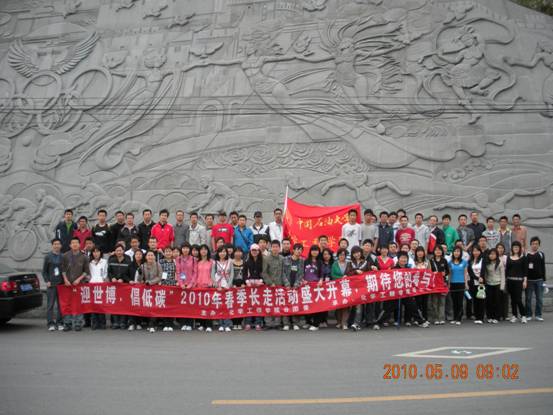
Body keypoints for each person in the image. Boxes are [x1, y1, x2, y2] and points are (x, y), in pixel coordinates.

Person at [61, 237, 90, 331]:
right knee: (67, 304)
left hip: (79, 284)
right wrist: (65, 280)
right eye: (73, 243)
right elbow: (63, 270)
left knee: (78, 304)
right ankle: (67, 323)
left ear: (79, 244)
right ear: (70, 245)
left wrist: (79, 279)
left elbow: (86, 271)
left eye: (76, 243)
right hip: (67, 285)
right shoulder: (65, 256)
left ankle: (78, 323)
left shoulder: (84, 257)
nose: (74, 244)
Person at [135, 250, 163, 333]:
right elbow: (139, 279)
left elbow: (159, 277)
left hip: (156, 288)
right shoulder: (143, 266)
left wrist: (150, 282)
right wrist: (140, 274)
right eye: (148, 255)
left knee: (154, 306)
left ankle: (152, 324)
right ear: (146, 257)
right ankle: (149, 323)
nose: (150, 257)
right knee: (148, 306)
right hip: (146, 289)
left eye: (152, 255)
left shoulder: (158, 265)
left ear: (154, 257)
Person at [107, 244, 132, 330]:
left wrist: (123, 279)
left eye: (120, 250)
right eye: (117, 250)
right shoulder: (111, 260)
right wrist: (112, 278)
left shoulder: (128, 261)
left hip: (124, 286)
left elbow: (129, 274)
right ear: (115, 251)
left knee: (124, 304)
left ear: (123, 251)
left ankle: (123, 322)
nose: (119, 252)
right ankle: (115, 322)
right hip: (114, 286)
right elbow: (109, 272)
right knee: (114, 304)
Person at [42, 238, 64, 331]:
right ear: (52, 245)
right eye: (55, 244)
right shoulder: (48, 257)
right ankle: (50, 323)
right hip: (51, 284)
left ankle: (59, 323)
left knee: (60, 305)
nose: (56, 245)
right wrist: (47, 281)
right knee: (50, 305)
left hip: (61, 284)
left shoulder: (63, 256)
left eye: (58, 244)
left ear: (61, 246)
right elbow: (44, 271)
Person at [262, 240, 284, 330]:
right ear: (271, 248)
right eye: (273, 247)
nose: (275, 248)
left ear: (279, 248)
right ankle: (268, 323)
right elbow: (264, 272)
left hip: (279, 285)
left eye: (277, 247)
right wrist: (270, 283)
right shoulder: (266, 258)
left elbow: (284, 272)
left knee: (278, 304)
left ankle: (277, 323)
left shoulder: (282, 259)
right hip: (269, 285)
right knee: (268, 303)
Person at [175, 242, 197, 331]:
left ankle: (190, 323)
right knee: (182, 306)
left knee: (190, 305)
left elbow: (195, 273)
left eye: (187, 248)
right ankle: (183, 323)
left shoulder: (194, 259)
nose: (185, 250)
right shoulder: (178, 259)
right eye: (184, 248)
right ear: (181, 249)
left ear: (189, 249)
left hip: (191, 285)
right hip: (182, 286)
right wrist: (181, 284)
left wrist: (190, 284)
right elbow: (178, 272)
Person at [345, 246, 368, 331]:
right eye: (354, 253)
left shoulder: (366, 262)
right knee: (353, 305)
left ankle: (357, 323)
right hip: (352, 287)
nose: (356, 254)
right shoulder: (350, 263)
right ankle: (351, 322)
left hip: (362, 287)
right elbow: (347, 273)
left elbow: (370, 273)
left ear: (361, 252)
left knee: (359, 305)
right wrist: (355, 271)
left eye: (358, 252)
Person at [211, 246, 234, 332]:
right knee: (219, 305)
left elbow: (232, 274)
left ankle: (227, 324)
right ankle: (221, 324)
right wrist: (216, 285)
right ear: (218, 253)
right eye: (220, 252)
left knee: (227, 305)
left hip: (227, 285)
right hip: (218, 285)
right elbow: (212, 274)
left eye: (224, 251)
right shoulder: (215, 262)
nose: (222, 253)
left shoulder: (230, 261)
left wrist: (229, 285)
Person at [282, 243, 305, 331]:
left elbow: (301, 274)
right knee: (285, 304)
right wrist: (286, 284)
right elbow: (283, 272)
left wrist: (296, 284)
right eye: (297, 249)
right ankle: (286, 323)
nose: (299, 251)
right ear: (293, 250)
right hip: (286, 285)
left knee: (295, 304)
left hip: (296, 286)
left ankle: (295, 323)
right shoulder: (285, 259)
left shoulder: (302, 260)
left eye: (301, 250)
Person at [303, 245, 324, 331]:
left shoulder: (320, 262)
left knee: (316, 305)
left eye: (316, 250)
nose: (314, 252)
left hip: (316, 286)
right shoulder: (306, 261)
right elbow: (302, 272)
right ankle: (308, 322)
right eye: (313, 250)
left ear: (319, 252)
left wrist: (321, 280)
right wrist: (303, 280)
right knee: (307, 303)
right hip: (307, 286)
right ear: (310, 251)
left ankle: (316, 324)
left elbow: (322, 273)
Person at [505, 241, 527, 324]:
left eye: (517, 247)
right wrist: (506, 281)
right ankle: (514, 315)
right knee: (513, 300)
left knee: (518, 299)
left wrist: (525, 281)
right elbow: (507, 270)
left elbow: (525, 271)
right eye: (514, 247)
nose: (516, 248)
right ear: (512, 248)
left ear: (520, 248)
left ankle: (523, 315)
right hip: (510, 281)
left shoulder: (523, 257)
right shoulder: (509, 257)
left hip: (519, 281)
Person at [244, 244, 264, 331]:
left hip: (259, 285)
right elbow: (244, 274)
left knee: (258, 304)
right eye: (253, 250)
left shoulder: (262, 261)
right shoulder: (247, 262)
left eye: (256, 250)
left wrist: (261, 281)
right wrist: (247, 282)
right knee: (249, 304)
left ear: (259, 251)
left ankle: (258, 323)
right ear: (250, 251)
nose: (254, 252)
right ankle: (248, 322)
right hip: (250, 286)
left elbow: (264, 272)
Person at [525, 236, 546, 321]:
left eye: (536, 244)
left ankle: (538, 315)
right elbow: (524, 268)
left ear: (539, 245)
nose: (535, 245)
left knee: (539, 299)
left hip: (539, 280)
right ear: (530, 244)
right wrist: (525, 280)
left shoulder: (541, 254)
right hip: (529, 280)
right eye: (533, 244)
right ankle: (528, 314)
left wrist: (544, 281)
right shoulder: (526, 254)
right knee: (528, 298)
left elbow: (543, 267)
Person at [447, 246, 468, 325]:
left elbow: (465, 274)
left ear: (460, 253)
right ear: (453, 253)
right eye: (455, 251)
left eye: (458, 251)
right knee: (454, 301)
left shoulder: (464, 262)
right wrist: (449, 284)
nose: (456, 253)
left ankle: (459, 318)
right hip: (453, 283)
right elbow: (449, 274)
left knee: (460, 302)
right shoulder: (450, 262)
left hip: (461, 283)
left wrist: (466, 284)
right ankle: (455, 317)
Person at [88, 247, 108, 330]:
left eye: (97, 251)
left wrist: (103, 279)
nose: (96, 253)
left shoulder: (104, 261)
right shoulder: (90, 262)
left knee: (101, 304)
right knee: (93, 304)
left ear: (100, 253)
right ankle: (94, 322)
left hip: (101, 285)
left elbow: (105, 273)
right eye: (94, 252)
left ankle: (102, 322)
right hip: (92, 285)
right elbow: (88, 274)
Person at [429, 245, 450, 325]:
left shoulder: (444, 260)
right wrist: (433, 273)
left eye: (439, 250)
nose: (438, 251)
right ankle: (435, 318)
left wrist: (445, 273)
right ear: (434, 252)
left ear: (442, 251)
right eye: (436, 250)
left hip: (442, 283)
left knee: (442, 301)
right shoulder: (431, 260)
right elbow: (428, 272)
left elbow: (447, 271)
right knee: (434, 302)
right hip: (434, 284)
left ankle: (441, 318)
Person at [331, 248, 351, 330]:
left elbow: (351, 273)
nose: (342, 256)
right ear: (338, 255)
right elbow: (333, 275)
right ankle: (339, 322)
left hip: (346, 287)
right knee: (338, 304)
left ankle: (344, 323)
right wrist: (341, 278)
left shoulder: (349, 264)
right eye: (340, 255)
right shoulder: (334, 264)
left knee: (346, 304)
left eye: (343, 255)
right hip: (337, 287)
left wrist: (347, 277)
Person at [484, 248, 505, 324]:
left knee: (497, 301)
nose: (491, 255)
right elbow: (485, 274)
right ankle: (490, 316)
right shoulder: (487, 263)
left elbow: (502, 275)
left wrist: (502, 286)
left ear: (496, 255)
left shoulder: (500, 263)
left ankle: (497, 317)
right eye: (490, 254)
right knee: (489, 301)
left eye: (493, 254)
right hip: (489, 284)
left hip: (497, 284)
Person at [196, 244, 214, 332]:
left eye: (205, 249)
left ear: (208, 251)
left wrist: (211, 282)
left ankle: (209, 325)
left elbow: (213, 274)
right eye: (202, 249)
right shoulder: (197, 262)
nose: (203, 251)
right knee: (200, 306)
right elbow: (195, 274)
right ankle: (202, 324)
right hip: (199, 286)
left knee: (208, 306)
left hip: (208, 286)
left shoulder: (211, 262)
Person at [159, 246, 177, 332]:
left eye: (170, 251)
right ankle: (165, 323)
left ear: (172, 252)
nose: (168, 253)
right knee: (164, 305)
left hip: (173, 286)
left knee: (171, 305)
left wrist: (177, 281)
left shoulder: (175, 262)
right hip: (163, 285)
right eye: (166, 251)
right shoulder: (161, 262)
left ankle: (170, 323)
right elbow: (159, 273)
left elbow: (177, 273)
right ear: (164, 253)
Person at [467, 246, 486, 324]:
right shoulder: (470, 261)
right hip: (473, 283)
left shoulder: (483, 260)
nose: (475, 252)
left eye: (477, 251)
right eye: (474, 251)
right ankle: (477, 316)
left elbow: (483, 270)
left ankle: (481, 317)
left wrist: (481, 277)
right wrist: (477, 278)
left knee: (481, 300)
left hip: (481, 283)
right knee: (475, 300)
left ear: (480, 252)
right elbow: (470, 272)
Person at [413, 246, 430, 320]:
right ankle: (418, 318)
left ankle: (425, 318)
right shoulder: (413, 262)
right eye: (418, 251)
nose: (420, 253)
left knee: (425, 302)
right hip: (416, 286)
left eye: (421, 251)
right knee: (417, 302)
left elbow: (430, 273)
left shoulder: (427, 262)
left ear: (424, 253)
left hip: (425, 286)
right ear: (416, 253)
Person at [231, 247, 246, 330]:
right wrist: (232, 284)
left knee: (241, 303)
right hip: (233, 285)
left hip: (242, 285)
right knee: (233, 304)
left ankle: (239, 322)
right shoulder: (230, 262)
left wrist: (244, 283)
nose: (238, 253)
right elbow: (229, 274)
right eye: (236, 252)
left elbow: (246, 274)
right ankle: (234, 322)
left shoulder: (245, 262)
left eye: (240, 252)